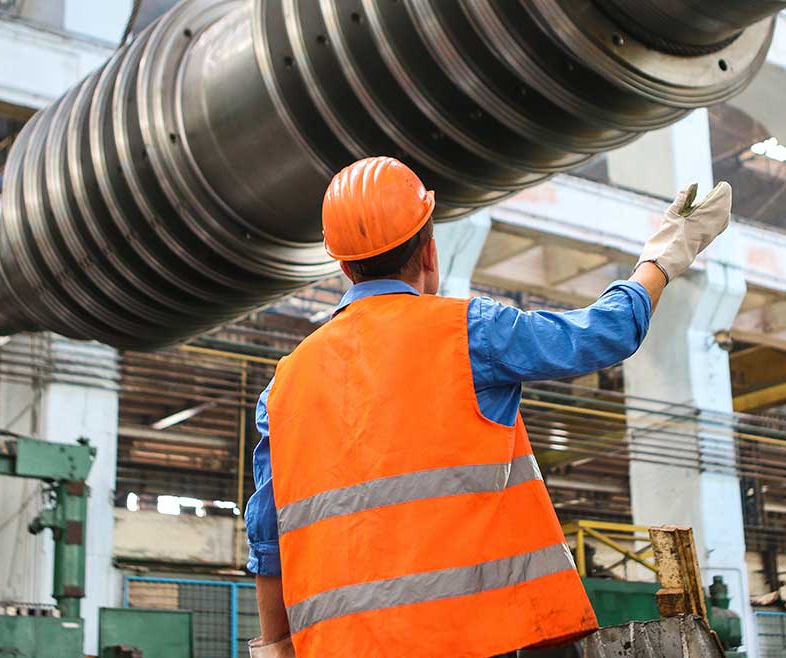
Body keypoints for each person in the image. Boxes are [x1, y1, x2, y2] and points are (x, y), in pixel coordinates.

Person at [245, 156, 732, 657]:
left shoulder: (283, 386)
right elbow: (602, 335)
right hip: (476, 641)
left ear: (343, 266)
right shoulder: (470, 333)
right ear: (430, 251)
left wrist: (277, 646)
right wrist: (667, 253)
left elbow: (266, 541)